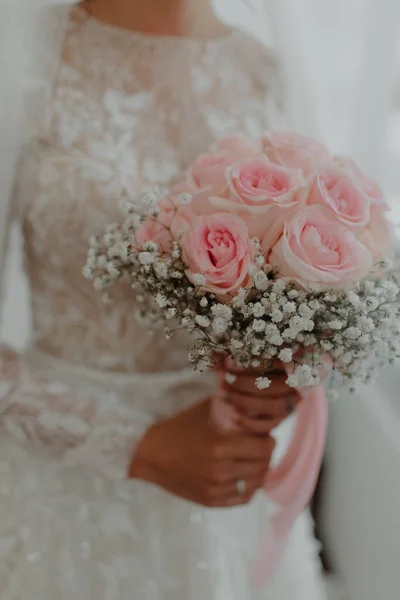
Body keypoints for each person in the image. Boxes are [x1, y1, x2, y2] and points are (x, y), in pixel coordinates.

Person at [0, 0, 327, 597]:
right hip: (66, 499)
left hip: (230, 493)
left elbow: (304, 300)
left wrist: (273, 384)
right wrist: (132, 443)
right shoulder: (21, 61)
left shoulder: (262, 71)